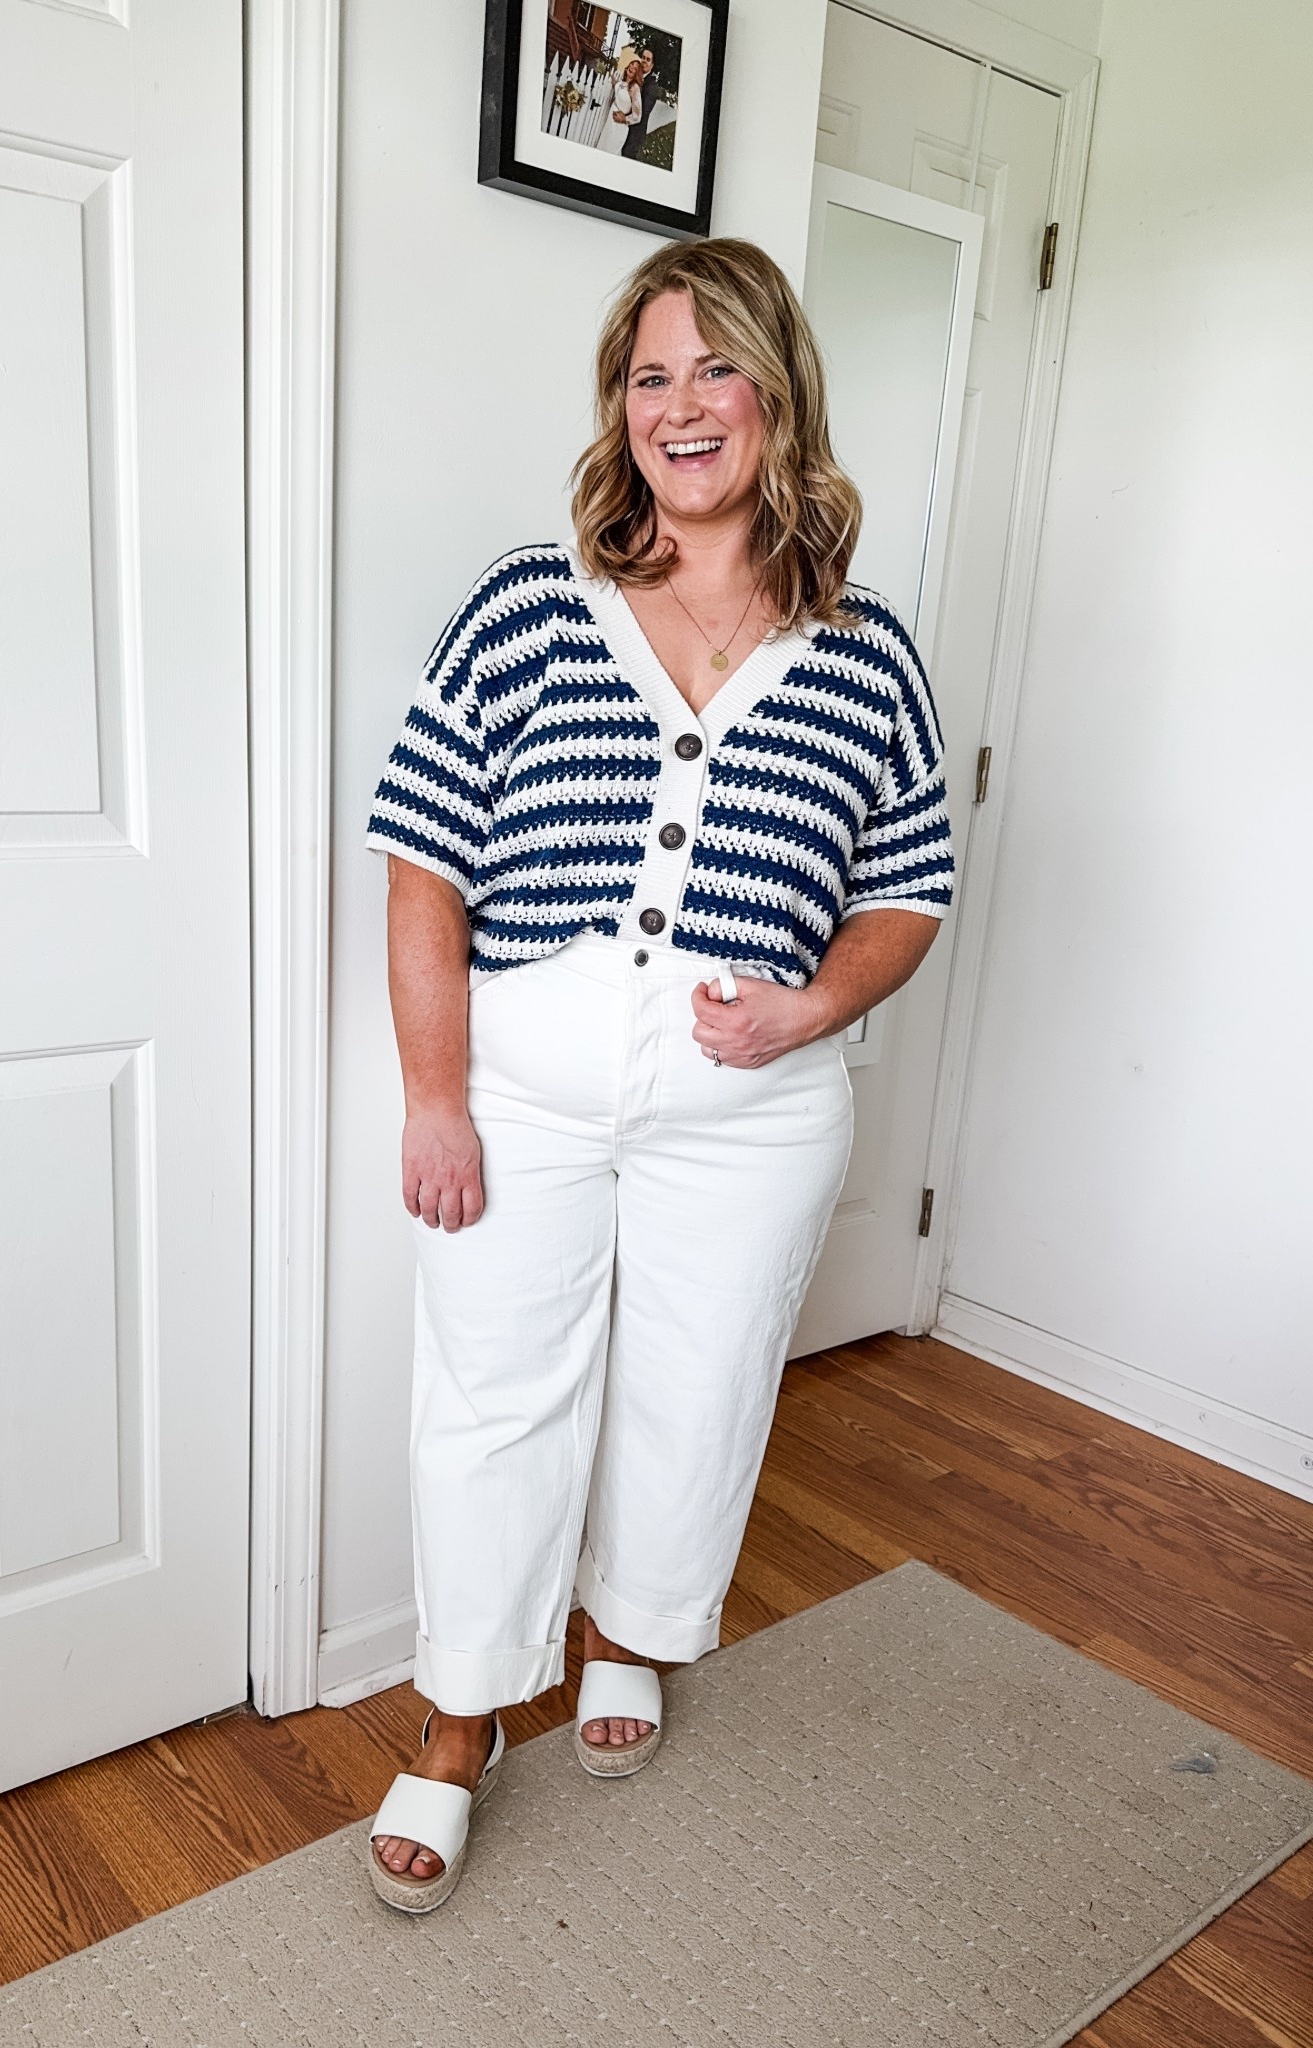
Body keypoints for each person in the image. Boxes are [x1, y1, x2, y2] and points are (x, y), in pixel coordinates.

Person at [364, 236, 955, 1913]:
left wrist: (808, 1006)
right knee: (493, 1394)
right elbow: (422, 859)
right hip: (530, 1084)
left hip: (753, 1107)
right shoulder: (526, 605)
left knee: (701, 1380)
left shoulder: (866, 649)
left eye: (715, 368)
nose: (681, 406)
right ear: (617, 415)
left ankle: (633, 1631)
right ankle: (461, 1705)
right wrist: (433, 1091)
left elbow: (910, 882)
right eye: (648, 376)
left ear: (776, 393)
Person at [598, 45, 643, 156]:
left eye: (636, 68)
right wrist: (605, 70)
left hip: (619, 126)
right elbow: (615, 84)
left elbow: (638, 116)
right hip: (610, 122)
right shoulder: (622, 83)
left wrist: (624, 119)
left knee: (609, 153)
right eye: (632, 64)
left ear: (637, 73)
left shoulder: (635, 88)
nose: (632, 68)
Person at [622, 48, 662, 161]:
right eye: (643, 58)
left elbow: (642, 113)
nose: (644, 61)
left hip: (634, 134)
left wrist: (623, 118)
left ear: (652, 65)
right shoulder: (635, 77)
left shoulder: (652, 87)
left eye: (648, 59)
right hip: (623, 128)